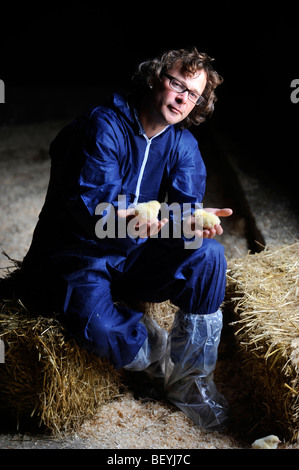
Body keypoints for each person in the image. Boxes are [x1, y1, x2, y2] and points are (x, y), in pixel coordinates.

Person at [4, 47, 233, 430]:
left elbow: (181, 213)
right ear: (154, 78)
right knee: (101, 328)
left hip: (136, 253)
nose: (182, 98)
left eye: (192, 94)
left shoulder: (183, 145)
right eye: (176, 84)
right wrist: (129, 219)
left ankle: (192, 384)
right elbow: (93, 209)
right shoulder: (104, 126)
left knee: (209, 255)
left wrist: (192, 224)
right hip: (80, 254)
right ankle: (158, 354)